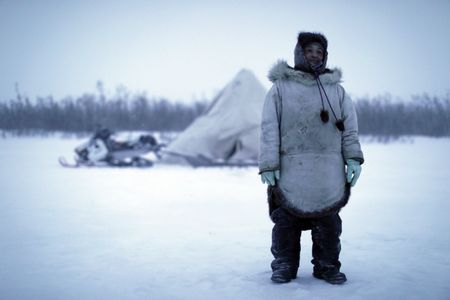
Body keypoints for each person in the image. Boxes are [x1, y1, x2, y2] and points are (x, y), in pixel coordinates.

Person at [259, 32, 364, 285]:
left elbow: (349, 128)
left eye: (319, 51)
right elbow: (269, 127)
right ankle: (284, 265)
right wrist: (268, 163)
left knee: (328, 222)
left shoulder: (336, 91)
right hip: (290, 168)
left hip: (327, 172)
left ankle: (327, 266)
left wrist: (353, 158)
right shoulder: (280, 88)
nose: (315, 55)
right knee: (286, 221)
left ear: (325, 56)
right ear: (299, 53)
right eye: (310, 50)